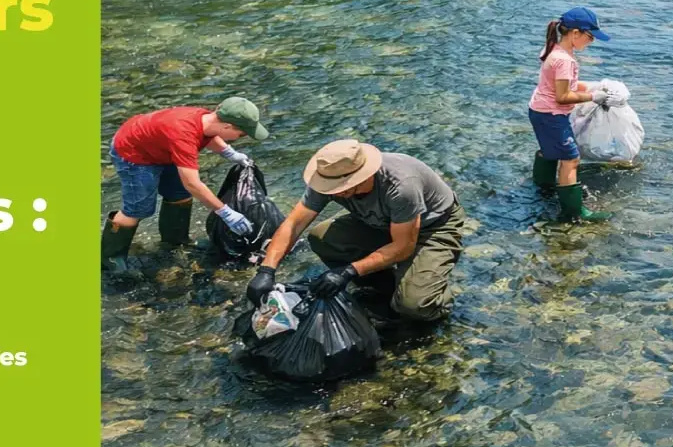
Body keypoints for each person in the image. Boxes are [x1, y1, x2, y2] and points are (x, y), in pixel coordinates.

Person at [247, 140, 468, 322]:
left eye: (341, 189)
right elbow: (293, 224)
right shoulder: (328, 176)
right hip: (381, 223)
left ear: (363, 176)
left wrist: (348, 271)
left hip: (433, 227)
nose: (333, 192)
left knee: (414, 305)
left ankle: (433, 295)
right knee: (322, 238)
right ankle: (388, 286)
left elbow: (403, 247)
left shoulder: (401, 186)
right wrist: (267, 270)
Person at [102, 99, 269, 270]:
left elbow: (208, 136)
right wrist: (225, 212)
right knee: (138, 208)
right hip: (133, 153)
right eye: (242, 134)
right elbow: (193, 184)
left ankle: (175, 241)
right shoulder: (184, 135)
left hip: (162, 148)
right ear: (227, 126)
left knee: (179, 194)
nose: (242, 138)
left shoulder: (207, 119)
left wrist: (229, 153)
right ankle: (111, 260)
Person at [527, 6, 612, 222]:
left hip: (539, 110)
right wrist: (594, 97)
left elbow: (559, 85)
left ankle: (543, 189)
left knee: (549, 150)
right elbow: (562, 96)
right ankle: (573, 212)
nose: (591, 42)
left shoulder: (554, 49)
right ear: (575, 33)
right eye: (590, 37)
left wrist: (592, 86)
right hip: (552, 115)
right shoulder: (565, 60)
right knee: (571, 159)